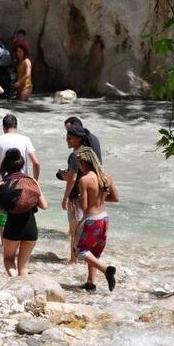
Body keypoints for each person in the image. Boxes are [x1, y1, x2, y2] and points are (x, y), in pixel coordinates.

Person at [0, 148, 48, 276]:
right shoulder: (32, 181)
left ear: (5, 165)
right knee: (23, 266)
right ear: (22, 164)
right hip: (31, 229)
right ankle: (22, 285)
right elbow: (44, 206)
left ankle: (14, 281)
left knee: (8, 259)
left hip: (12, 228)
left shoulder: (2, 184)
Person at [73, 146, 119, 291]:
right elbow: (115, 198)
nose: (79, 166)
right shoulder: (107, 177)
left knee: (80, 251)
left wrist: (76, 200)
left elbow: (85, 207)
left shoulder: (84, 180)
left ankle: (106, 270)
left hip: (91, 219)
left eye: (79, 163)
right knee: (94, 251)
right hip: (104, 218)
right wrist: (100, 199)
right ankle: (91, 282)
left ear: (84, 162)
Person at [62, 124, 92, 263]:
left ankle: (74, 261)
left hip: (76, 197)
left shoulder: (75, 155)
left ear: (79, 138)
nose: (67, 139)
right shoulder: (88, 151)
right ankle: (85, 258)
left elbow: (73, 178)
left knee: (75, 231)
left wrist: (66, 198)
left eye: (70, 137)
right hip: (88, 194)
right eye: (67, 136)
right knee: (83, 230)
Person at [0, 114, 40, 188]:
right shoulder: (25, 140)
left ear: (3, 127)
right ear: (16, 126)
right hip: (22, 184)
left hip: (3, 184)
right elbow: (36, 163)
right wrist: (35, 182)